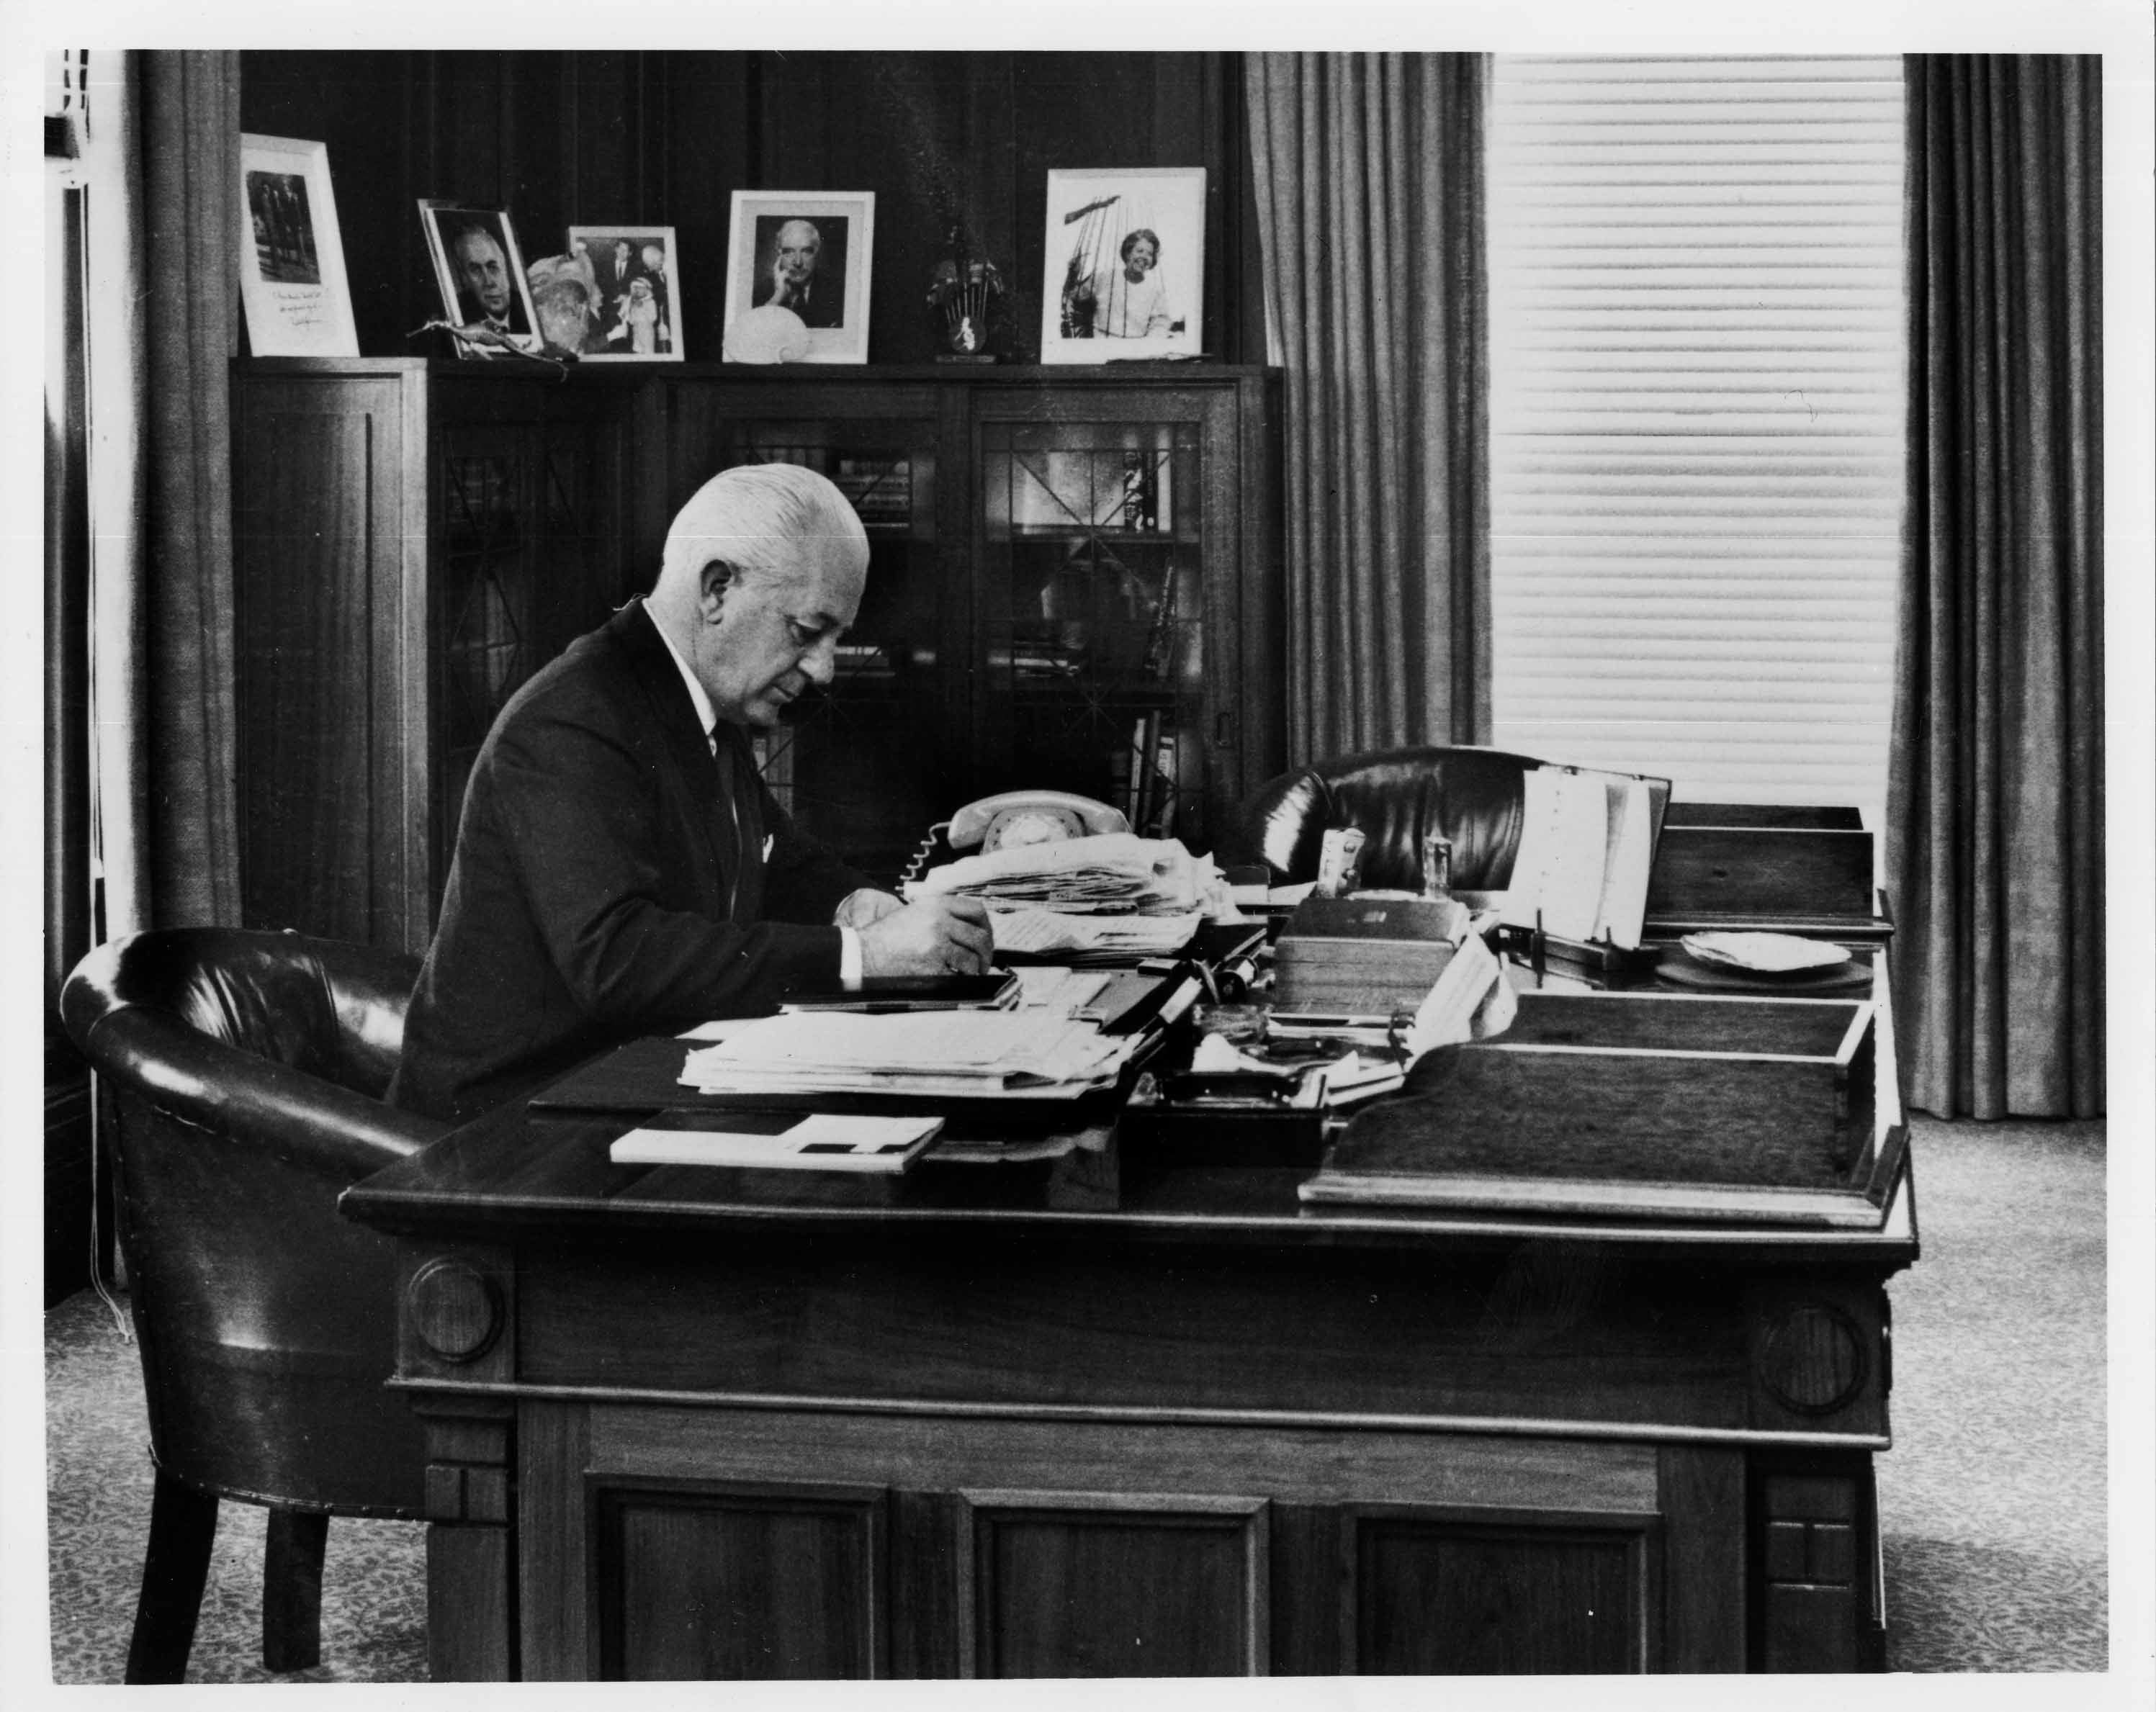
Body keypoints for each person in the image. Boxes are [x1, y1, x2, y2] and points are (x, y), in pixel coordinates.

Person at [389, 463, 993, 1124]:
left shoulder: (697, 698)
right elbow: (618, 959)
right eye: (805, 631)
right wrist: (864, 957)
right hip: (508, 1135)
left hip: (622, 1097)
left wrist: (855, 904)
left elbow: (777, 859)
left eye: (836, 639)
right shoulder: (573, 717)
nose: (822, 669)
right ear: (716, 589)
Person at [1066, 227, 1178, 341]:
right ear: (1128, 253)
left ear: (1153, 260)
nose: (1144, 257)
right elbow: (1076, 296)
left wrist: (1148, 344)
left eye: (1149, 254)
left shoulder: (1155, 290)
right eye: (1139, 251)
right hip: (1100, 343)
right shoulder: (1105, 277)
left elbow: (1161, 322)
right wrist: (1072, 275)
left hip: (1135, 347)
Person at [753, 218, 843, 328]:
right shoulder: (761, 293)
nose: (798, 262)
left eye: (806, 251)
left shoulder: (838, 293)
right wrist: (777, 297)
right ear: (779, 253)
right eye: (789, 252)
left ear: (816, 252)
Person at [449, 221, 524, 335]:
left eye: (493, 267)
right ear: (464, 276)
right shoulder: (457, 316)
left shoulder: (526, 309)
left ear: (505, 265)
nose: (489, 282)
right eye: (476, 270)